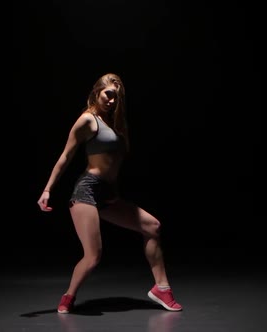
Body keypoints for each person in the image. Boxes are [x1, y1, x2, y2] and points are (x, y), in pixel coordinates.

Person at [37, 73, 183, 314]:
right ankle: (68, 297)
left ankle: (162, 288)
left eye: (117, 97)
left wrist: (113, 192)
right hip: (87, 191)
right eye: (108, 95)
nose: (113, 101)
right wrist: (47, 190)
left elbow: (113, 164)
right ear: (97, 93)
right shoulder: (88, 120)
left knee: (152, 226)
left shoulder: (114, 123)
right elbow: (66, 156)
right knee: (93, 256)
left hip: (106, 194)